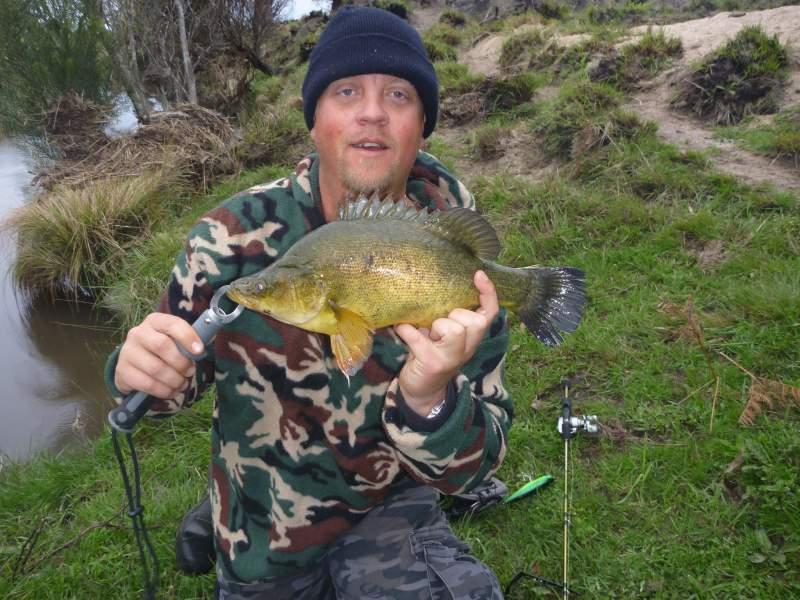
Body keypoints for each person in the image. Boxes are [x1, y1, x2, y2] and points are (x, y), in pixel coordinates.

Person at [105, 6, 513, 599]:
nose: (372, 112)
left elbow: (476, 468)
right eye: (346, 90)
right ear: (314, 119)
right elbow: (166, 389)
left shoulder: (455, 258)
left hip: (390, 510)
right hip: (264, 529)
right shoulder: (228, 238)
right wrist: (136, 370)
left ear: (422, 123)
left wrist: (431, 402)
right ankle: (215, 513)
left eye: (398, 95)